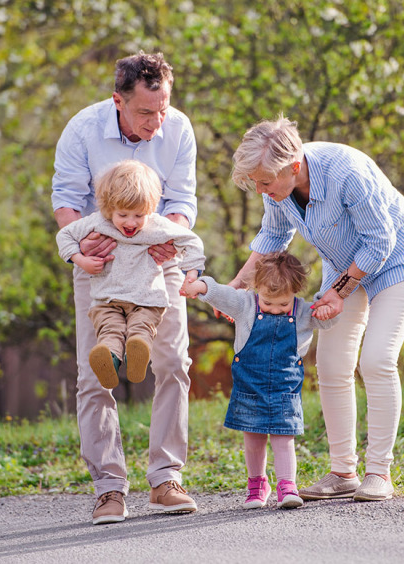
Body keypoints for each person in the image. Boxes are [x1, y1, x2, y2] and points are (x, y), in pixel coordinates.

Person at [225, 116, 404, 502]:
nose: (259, 189)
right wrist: (238, 285)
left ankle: (379, 472)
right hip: (345, 265)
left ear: (293, 166)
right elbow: (274, 235)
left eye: (264, 181)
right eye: (255, 182)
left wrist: (340, 292)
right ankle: (343, 471)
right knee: (331, 364)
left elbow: (380, 240)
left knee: (376, 359)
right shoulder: (275, 185)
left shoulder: (347, 171)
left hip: (396, 260)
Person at [51, 52, 199, 525]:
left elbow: (181, 200)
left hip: (159, 257)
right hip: (101, 265)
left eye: (162, 109)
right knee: (95, 374)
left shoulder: (177, 128)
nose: (157, 122)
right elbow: (66, 200)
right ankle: (109, 489)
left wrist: (168, 240)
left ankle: (166, 479)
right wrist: (83, 250)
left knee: (173, 361)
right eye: (144, 112)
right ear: (118, 100)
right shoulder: (82, 129)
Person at [180, 251, 337, 510]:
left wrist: (329, 309)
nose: (275, 309)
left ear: (296, 293)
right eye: (268, 302)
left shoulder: (303, 312)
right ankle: (257, 485)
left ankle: (287, 486)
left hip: (285, 390)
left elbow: (330, 320)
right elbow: (221, 293)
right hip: (249, 387)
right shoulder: (246, 304)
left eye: (283, 304)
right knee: (253, 439)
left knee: (283, 438)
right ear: (256, 289)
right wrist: (200, 286)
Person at [56, 160, 205, 391]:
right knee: (109, 332)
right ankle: (109, 358)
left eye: (139, 215)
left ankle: (138, 350)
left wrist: (192, 272)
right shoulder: (98, 222)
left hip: (146, 300)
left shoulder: (157, 226)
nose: (131, 222)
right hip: (107, 301)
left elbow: (191, 240)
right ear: (108, 208)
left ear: (151, 208)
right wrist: (81, 260)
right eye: (123, 214)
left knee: (141, 328)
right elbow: (64, 236)